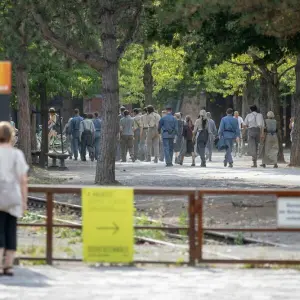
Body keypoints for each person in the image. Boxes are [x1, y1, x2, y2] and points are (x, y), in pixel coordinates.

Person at [0, 122, 28, 276]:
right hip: (12, 196)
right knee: (11, 230)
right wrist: (24, 201)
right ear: (11, 136)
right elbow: (23, 180)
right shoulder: (17, 154)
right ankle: (9, 265)